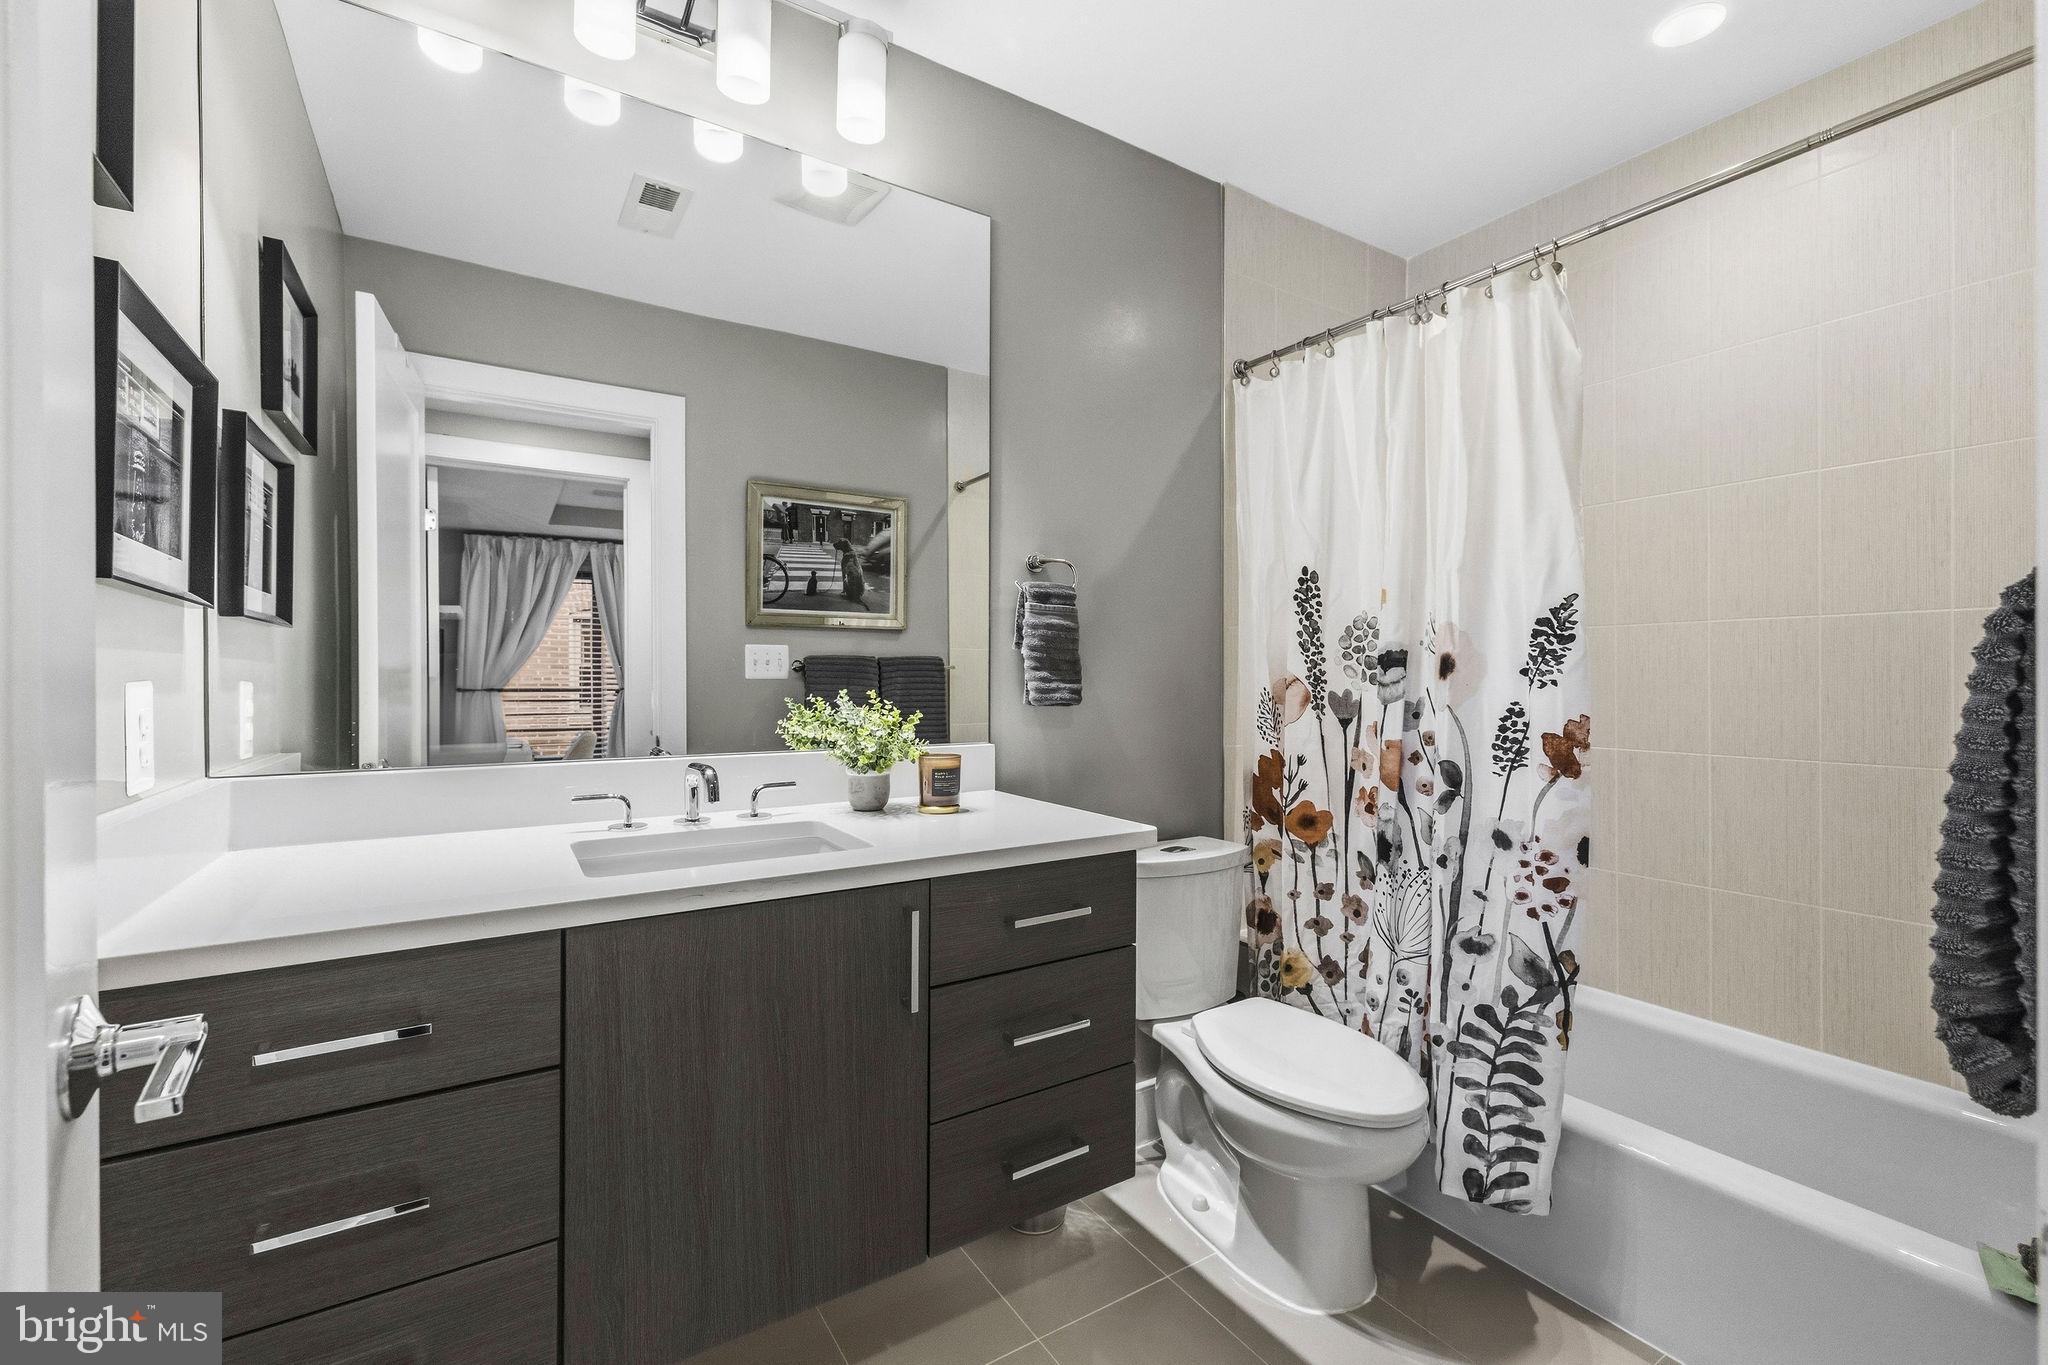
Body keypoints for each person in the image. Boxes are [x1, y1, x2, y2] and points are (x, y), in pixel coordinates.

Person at [833, 537, 867, 608]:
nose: (836, 544)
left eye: (839, 543)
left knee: (846, 575)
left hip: (852, 593)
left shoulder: (847, 557)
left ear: (844, 546)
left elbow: (844, 574)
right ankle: (856, 594)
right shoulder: (853, 555)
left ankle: (846, 592)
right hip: (860, 592)